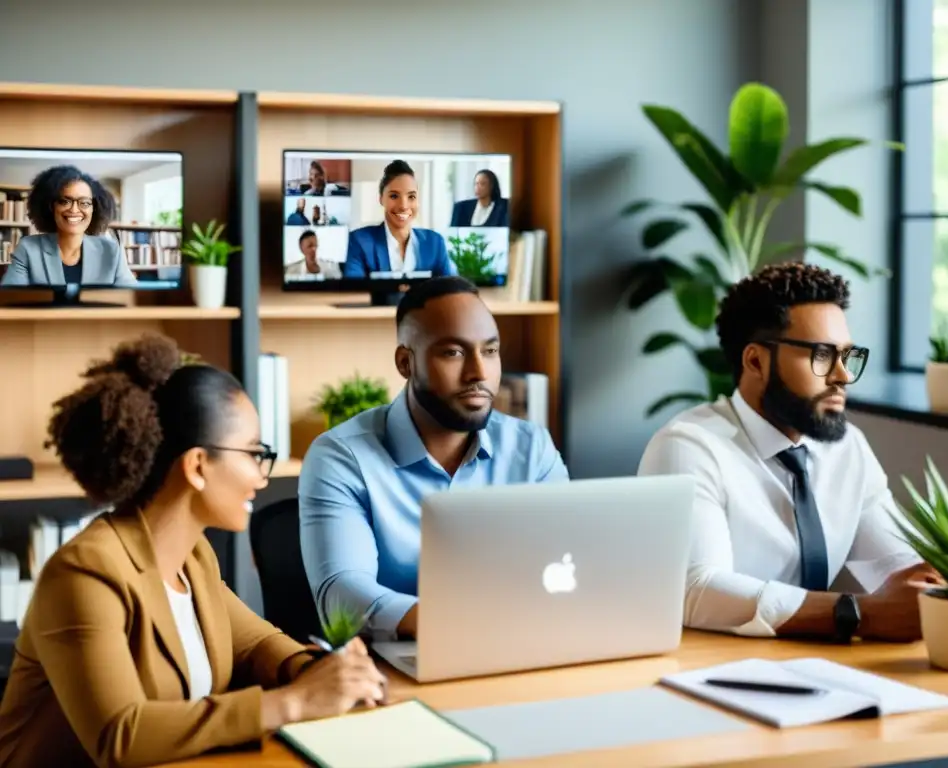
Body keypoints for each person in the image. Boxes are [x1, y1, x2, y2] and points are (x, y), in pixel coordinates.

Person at [0, 335, 386, 768]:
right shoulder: (84, 573)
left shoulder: (193, 556)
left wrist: (316, 670)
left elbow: (253, 643)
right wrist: (294, 703)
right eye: (255, 453)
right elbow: (119, 736)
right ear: (198, 466)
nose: (261, 476)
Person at [638, 262, 941, 643]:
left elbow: (899, 564)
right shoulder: (689, 448)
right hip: (717, 670)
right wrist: (860, 614)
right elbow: (697, 589)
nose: (842, 376)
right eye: (821, 355)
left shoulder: (847, 449)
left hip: (818, 670)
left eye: (847, 356)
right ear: (755, 361)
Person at [299, 276, 568, 640]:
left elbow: (569, 562)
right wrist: (451, 624)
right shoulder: (341, 457)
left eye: (490, 351)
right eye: (453, 352)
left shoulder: (531, 448)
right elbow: (341, 595)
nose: (479, 373)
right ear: (405, 363)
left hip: (524, 644)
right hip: (400, 666)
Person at [0, 165, 137, 288]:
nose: (74, 210)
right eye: (64, 201)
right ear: (50, 207)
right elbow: (10, 300)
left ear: (95, 208)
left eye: (84, 203)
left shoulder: (111, 251)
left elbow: (133, 300)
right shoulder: (28, 249)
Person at [342, 160, 454, 279]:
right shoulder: (360, 241)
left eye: (411, 196)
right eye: (394, 196)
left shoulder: (435, 243)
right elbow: (354, 292)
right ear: (381, 199)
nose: (403, 206)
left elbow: (452, 291)